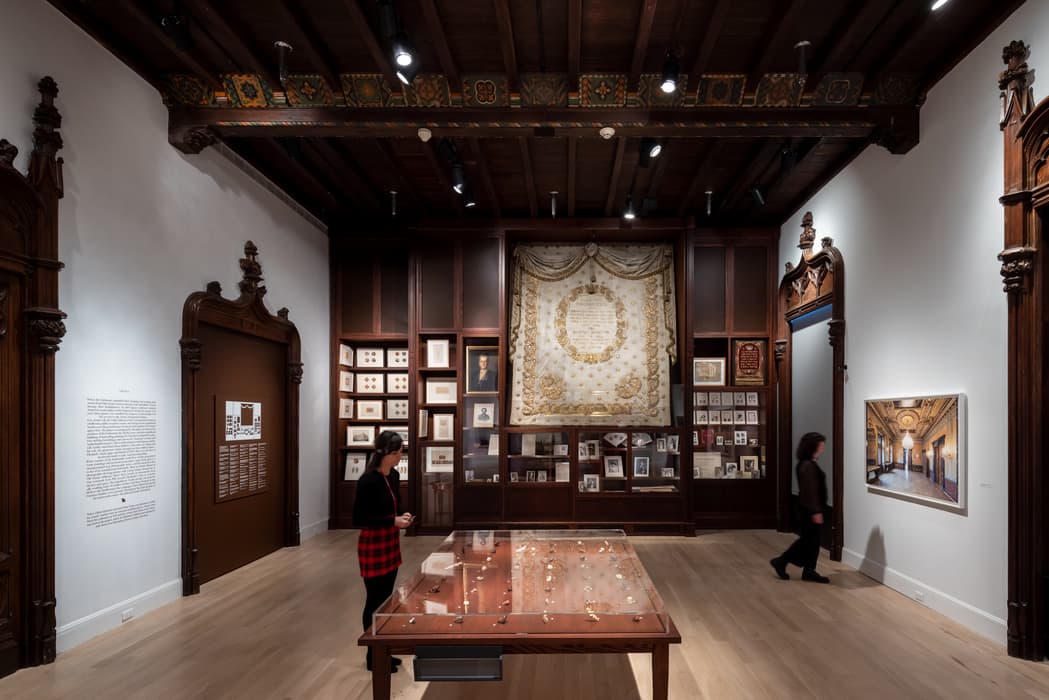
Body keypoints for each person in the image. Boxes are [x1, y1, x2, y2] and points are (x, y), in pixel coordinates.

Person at [353, 430, 413, 671]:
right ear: (386, 453)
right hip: (374, 543)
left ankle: (383, 649)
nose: (400, 457)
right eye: (398, 453)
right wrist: (393, 521)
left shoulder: (394, 475)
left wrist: (403, 516)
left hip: (390, 542)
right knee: (374, 600)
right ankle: (373, 655)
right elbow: (360, 517)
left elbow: (395, 505)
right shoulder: (368, 481)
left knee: (387, 600)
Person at [770, 432, 831, 583]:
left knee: (810, 541)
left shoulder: (806, 463)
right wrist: (815, 511)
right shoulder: (808, 466)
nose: (822, 449)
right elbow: (809, 490)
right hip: (810, 510)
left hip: (808, 509)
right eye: (820, 446)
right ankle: (783, 561)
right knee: (808, 541)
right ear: (812, 447)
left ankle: (807, 570)